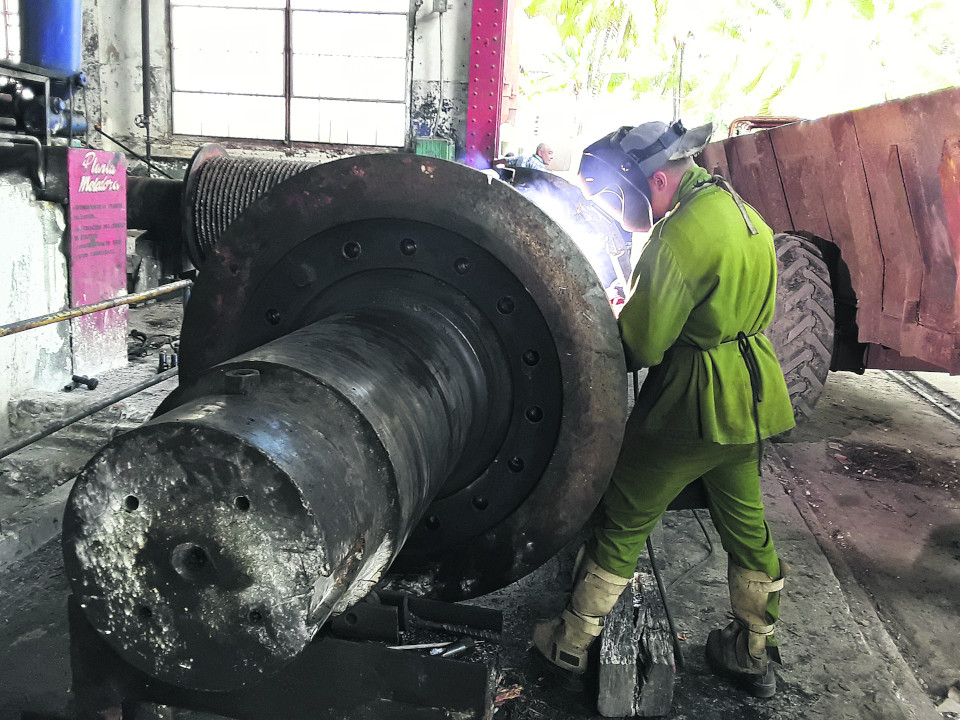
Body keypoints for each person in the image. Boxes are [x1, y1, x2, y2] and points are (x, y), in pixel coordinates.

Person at [532, 120, 795, 698]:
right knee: (746, 525)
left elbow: (641, 345)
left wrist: (600, 320)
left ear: (654, 180)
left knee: (623, 512)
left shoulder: (679, 237)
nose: (611, 202)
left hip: (694, 402)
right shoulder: (741, 213)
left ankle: (570, 642)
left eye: (614, 191)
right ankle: (754, 650)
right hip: (749, 397)